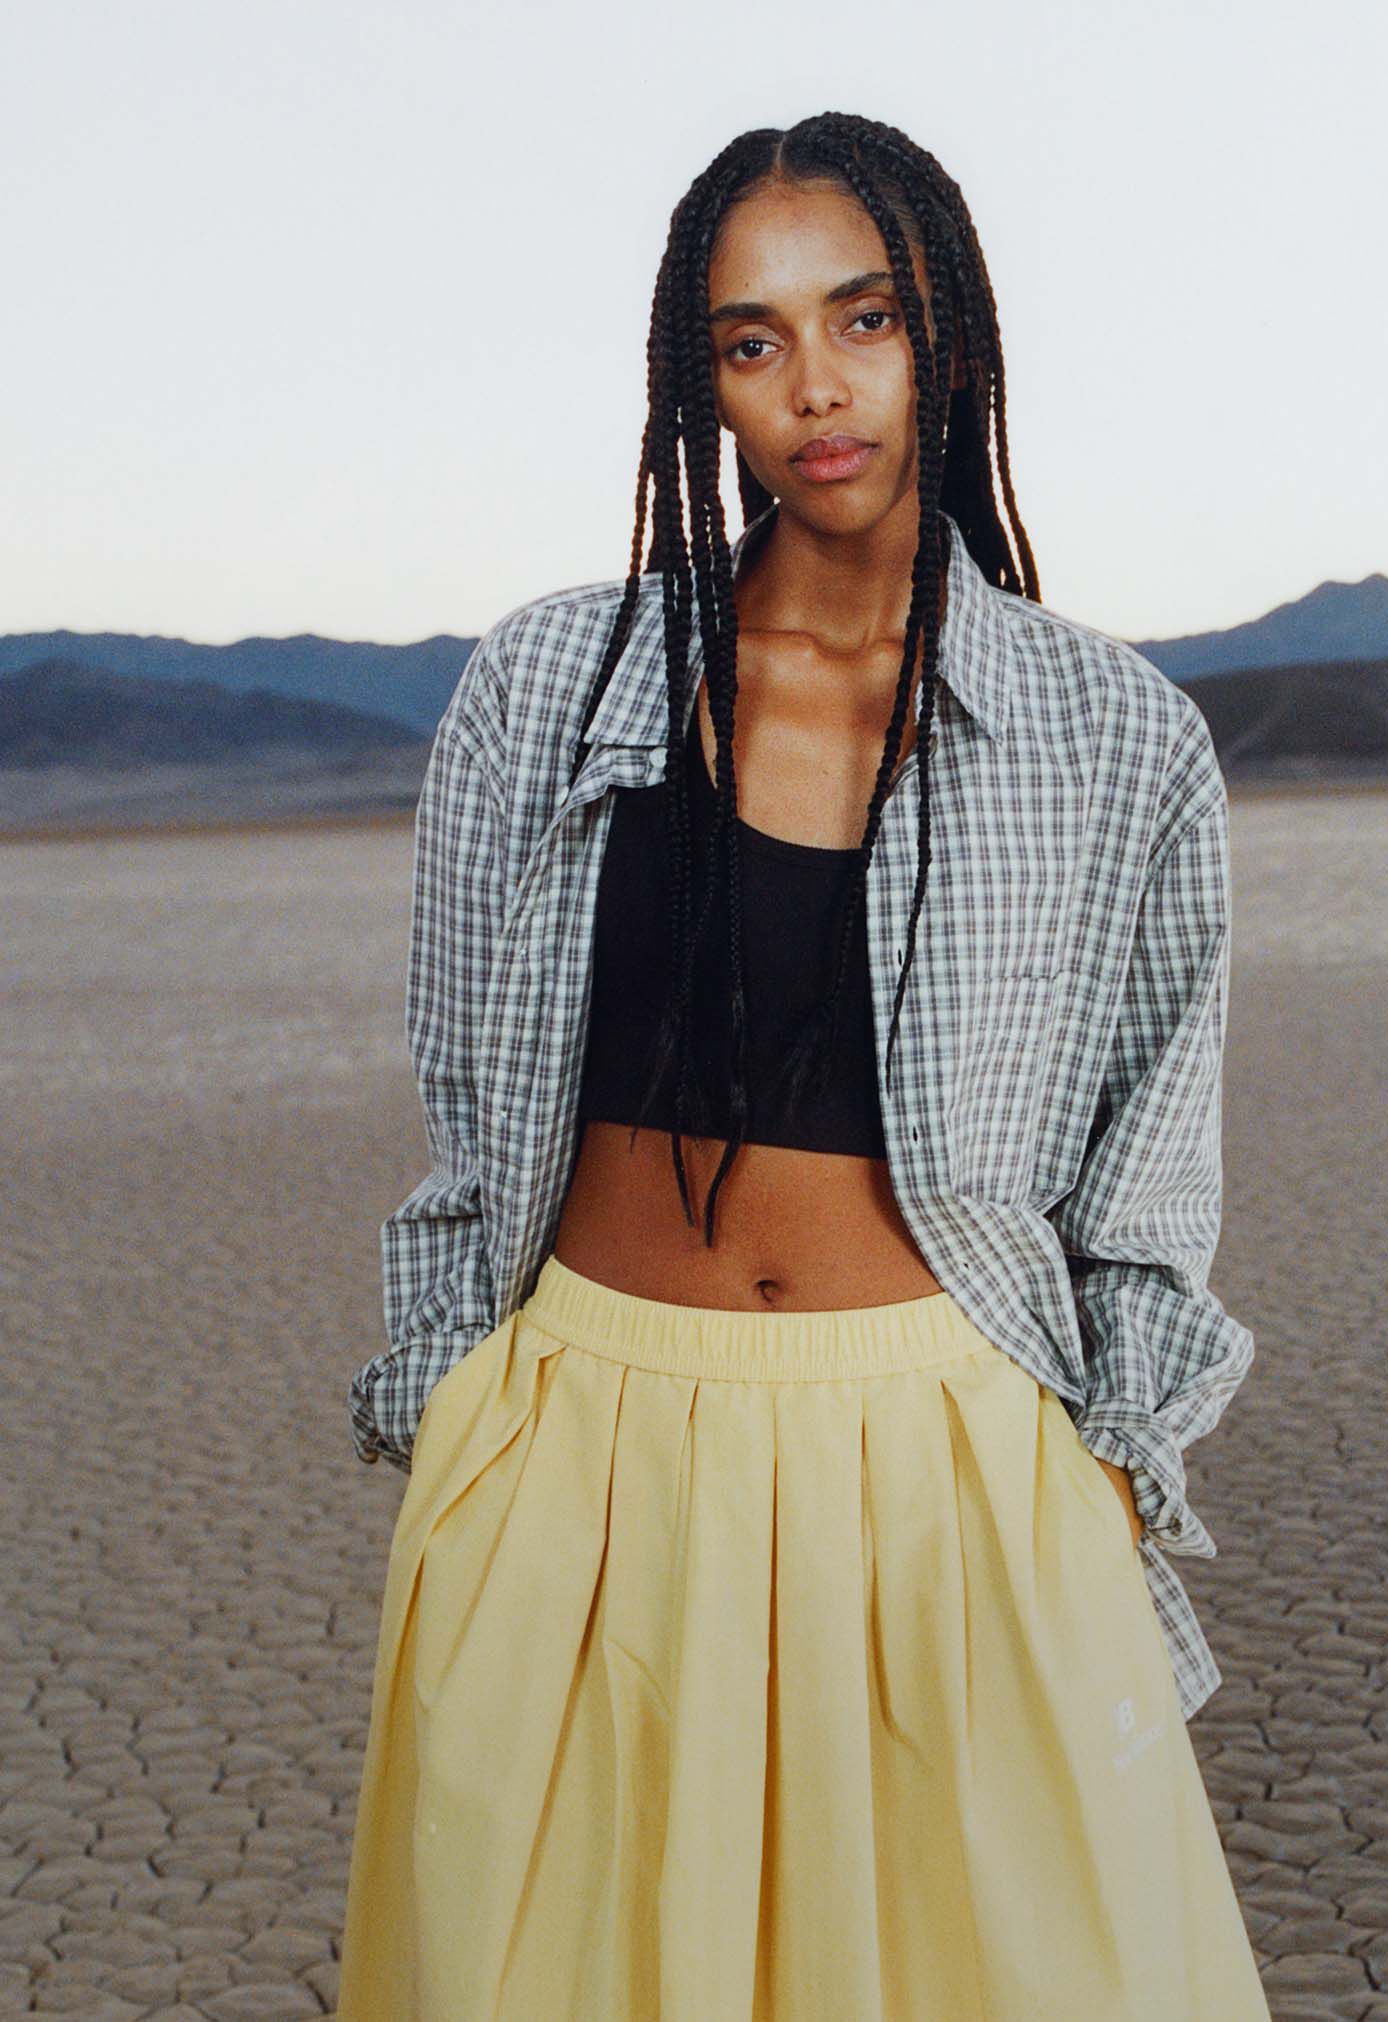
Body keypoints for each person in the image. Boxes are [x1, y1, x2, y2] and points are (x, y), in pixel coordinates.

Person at [336, 110, 1270, 2020]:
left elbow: (1148, 1172)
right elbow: (467, 1099)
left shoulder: (1116, 740)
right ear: (703, 391)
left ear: (949, 335)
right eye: (750, 345)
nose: (814, 387)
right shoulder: (545, 686)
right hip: (584, 1455)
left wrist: (1096, 1478)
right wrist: (457, 1418)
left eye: (863, 320)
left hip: (951, 1465)